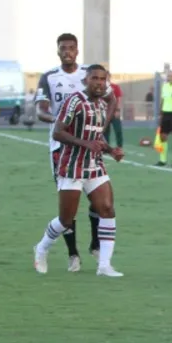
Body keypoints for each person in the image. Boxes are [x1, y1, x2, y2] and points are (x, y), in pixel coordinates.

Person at [35, 32, 118, 273]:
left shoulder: (92, 75)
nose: (67, 51)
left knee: (105, 206)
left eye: (71, 47)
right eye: (63, 48)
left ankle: (102, 258)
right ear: (58, 50)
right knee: (67, 216)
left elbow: (111, 101)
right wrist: (63, 119)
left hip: (91, 148)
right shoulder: (51, 78)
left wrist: (103, 133)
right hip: (64, 150)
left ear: (77, 50)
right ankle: (68, 253)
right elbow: (43, 112)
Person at [105, 73, 123, 148]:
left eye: (108, 76)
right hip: (105, 113)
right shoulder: (101, 87)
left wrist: (117, 110)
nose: (107, 78)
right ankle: (106, 147)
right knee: (105, 131)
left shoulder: (115, 87)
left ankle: (119, 146)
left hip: (114, 112)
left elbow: (119, 99)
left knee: (118, 130)